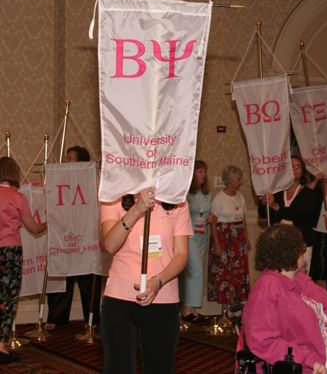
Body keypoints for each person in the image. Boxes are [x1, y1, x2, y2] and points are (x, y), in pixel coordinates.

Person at [243, 223, 327, 374]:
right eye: (301, 246)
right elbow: (264, 341)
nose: (305, 249)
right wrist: (308, 359)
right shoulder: (266, 288)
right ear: (291, 252)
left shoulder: (301, 279)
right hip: (311, 365)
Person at [100, 187, 192, 374]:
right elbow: (109, 245)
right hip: (119, 299)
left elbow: (181, 255)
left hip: (163, 298)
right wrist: (137, 209)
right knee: (118, 368)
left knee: (160, 367)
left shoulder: (177, 201)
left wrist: (157, 282)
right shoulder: (113, 198)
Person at [46, 145, 102, 330]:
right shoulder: (58, 181)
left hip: (87, 238)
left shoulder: (93, 181)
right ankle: (56, 318)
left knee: (88, 281)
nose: (66, 161)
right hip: (64, 237)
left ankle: (92, 320)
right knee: (62, 278)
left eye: (70, 158)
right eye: (66, 158)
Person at [0, 156, 47, 364]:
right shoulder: (17, 198)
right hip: (10, 252)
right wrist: (48, 223)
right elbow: (34, 228)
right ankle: (1, 345)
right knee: (7, 300)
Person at [259, 154, 322, 272]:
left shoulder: (310, 194)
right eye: (291, 166)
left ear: (303, 172)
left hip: (301, 246)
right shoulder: (276, 192)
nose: (294, 169)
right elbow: (263, 214)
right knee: (278, 282)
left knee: (299, 284)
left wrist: (276, 208)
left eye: (298, 167)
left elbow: (299, 214)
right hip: (277, 245)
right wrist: (264, 203)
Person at [207, 165, 250, 315]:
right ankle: (224, 310)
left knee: (238, 273)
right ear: (230, 180)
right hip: (224, 239)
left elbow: (243, 219)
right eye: (238, 179)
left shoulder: (240, 196)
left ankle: (236, 308)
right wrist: (217, 245)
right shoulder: (219, 198)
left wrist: (247, 239)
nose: (240, 181)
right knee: (224, 273)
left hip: (238, 240)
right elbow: (213, 223)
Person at [181, 160, 212, 323]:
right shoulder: (186, 193)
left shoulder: (207, 194)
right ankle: (187, 309)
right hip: (189, 235)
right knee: (196, 270)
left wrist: (212, 218)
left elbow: (210, 214)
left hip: (203, 235)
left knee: (196, 272)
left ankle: (191, 309)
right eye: (200, 171)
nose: (203, 174)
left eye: (204, 171)